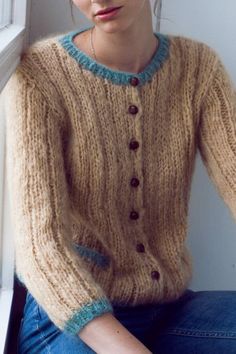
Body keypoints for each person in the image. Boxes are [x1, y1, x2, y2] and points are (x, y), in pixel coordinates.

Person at [2, 0, 236, 353]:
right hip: (69, 322)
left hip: (169, 311)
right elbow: (40, 247)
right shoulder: (40, 74)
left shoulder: (198, 69)